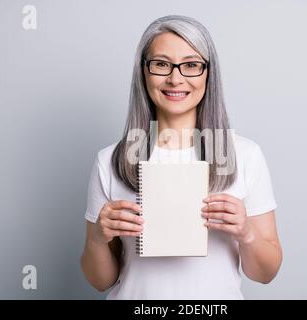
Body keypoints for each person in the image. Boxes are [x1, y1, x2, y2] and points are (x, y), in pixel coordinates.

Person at [80, 15, 282, 299]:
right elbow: (100, 281)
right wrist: (98, 240)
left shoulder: (245, 155)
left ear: (208, 74)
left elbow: (265, 274)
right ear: (144, 73)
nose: (175, 78)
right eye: (161, 64)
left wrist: (246, 232)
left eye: (191, 65)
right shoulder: (110, 160)